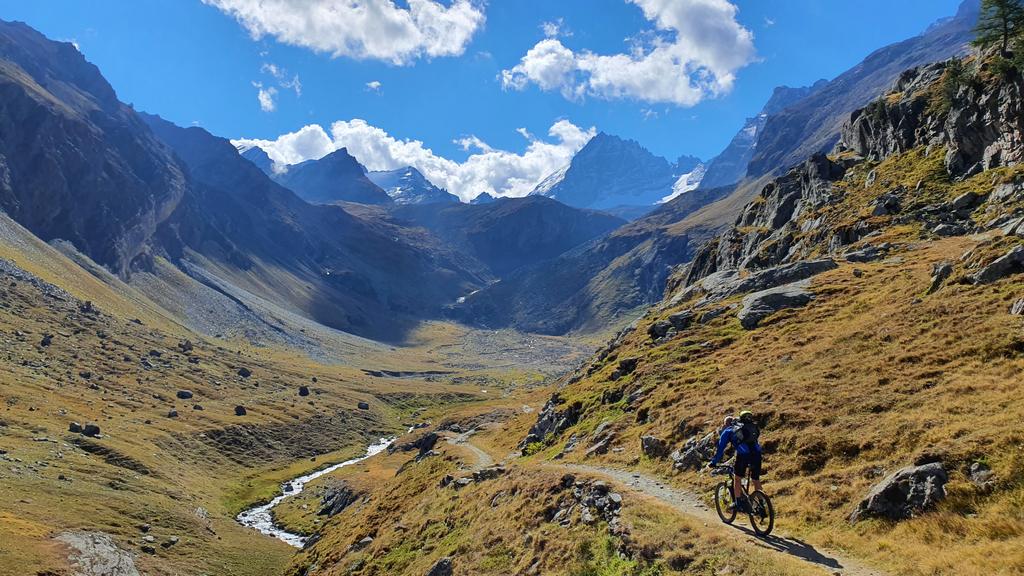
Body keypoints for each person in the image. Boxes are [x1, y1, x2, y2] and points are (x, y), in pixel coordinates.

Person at [708, 410, 763, 512]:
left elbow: (720, 449)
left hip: (743, 455)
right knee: (756, 480)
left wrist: (714, 462)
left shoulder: (728, 431)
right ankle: (762, 505)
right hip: (757, 455)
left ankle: (738, 504)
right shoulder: (749, 427)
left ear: (725, 424)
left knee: (737, 478)